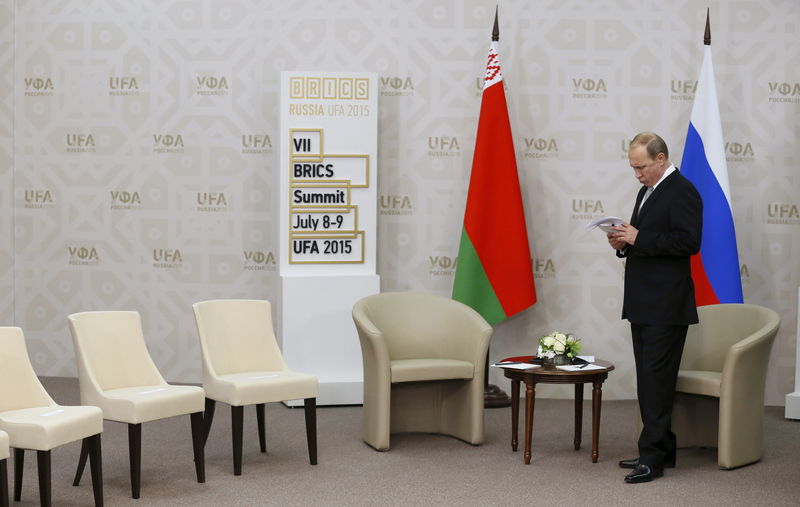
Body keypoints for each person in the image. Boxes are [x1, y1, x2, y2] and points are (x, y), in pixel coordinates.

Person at [607, 132, 702, 484]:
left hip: (666, 305)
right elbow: (645, 240)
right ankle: (662, 447)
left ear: (661, 159)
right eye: (633, 167)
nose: (637, 174)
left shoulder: (683, 190)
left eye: (641, 167)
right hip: (644, 302)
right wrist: (623, 242)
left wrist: (639, 237)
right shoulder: (648, 190)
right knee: (650, 381)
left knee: (656, 383)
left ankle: (654, 458)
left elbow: (689, 242)